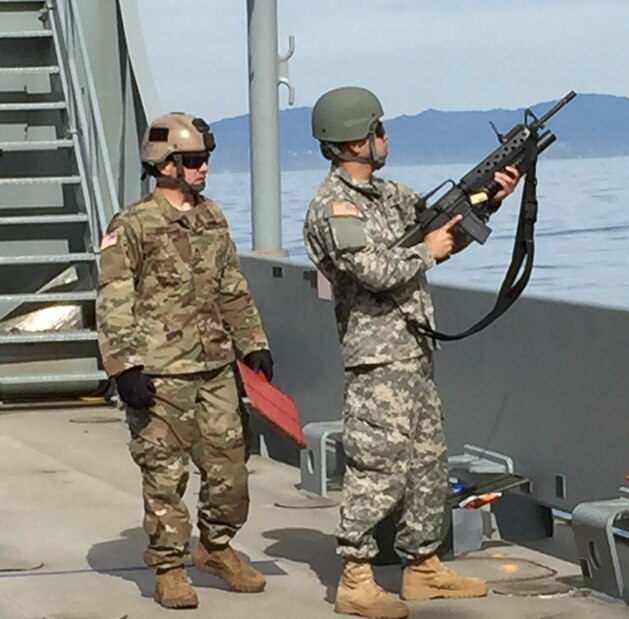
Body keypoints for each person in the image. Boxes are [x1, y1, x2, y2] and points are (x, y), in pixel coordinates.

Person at [303, 86, 520, 618]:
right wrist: (428, 252)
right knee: (378, 468)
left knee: (427, 464)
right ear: (352, 141)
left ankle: (421, 565)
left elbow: (444, 231)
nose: (384, 139)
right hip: (378, 360)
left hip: (414, 350)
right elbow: (371, 270)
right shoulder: (334, 207)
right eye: (377, 131)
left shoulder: (390, 195)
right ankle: (355, 576)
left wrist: (488, 197)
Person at [96, 112, 274, 610]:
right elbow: (113, 297)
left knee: (229, 471)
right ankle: (170, 567)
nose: (203, 170)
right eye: (193, 161)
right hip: (161, 373)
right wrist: (124, 366)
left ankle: (216, 548)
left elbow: (232, 287)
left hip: (214, 366)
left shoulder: (211, 217)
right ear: (165, 166)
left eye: (204, 161)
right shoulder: (132, 225)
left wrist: (252, 342)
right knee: (164, 474)